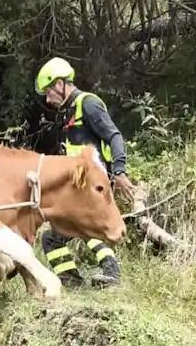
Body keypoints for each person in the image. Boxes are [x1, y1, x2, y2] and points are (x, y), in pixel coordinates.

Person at [34, 57, 135, 287]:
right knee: (52, 237)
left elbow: (114, 136)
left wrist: (119, 172)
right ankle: (71, 281)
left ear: (60, 84)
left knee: (85, 227)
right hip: (77, 188)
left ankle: (112, 274)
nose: (48, 99)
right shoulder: (67, 112)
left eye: (49, 92)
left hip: (95, 186)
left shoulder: (88, 104)